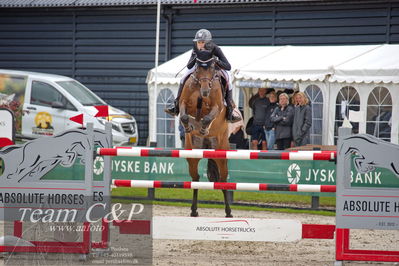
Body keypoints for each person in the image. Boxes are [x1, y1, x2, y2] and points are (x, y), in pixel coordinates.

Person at [165, 29, 241, 123]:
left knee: (228, 79)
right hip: (199, 69)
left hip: (215, 69)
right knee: (183, 78)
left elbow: (228, 66)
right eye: (198, 42)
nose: (200, 44)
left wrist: (216, 60)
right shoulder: (195, 48)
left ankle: (230, 110)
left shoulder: (215, 49)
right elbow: (189, 66)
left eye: (202, 42)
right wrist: (195, 57)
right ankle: (176, 105)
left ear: (208, 42)